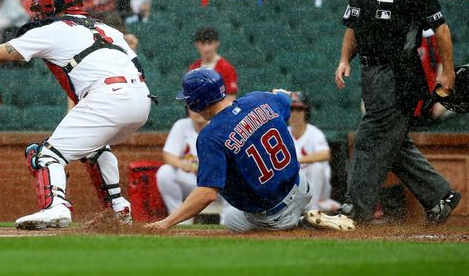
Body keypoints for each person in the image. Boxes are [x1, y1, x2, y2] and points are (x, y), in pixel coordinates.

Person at [0, 0, 152, 229]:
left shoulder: (51, 29)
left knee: (44, 155)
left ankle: (55, 207)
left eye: (41, 10)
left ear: (51, 8)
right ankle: (119, 207)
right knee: (95, 148)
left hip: (108, 97)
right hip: (141, 99)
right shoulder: (108, 29)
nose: (39, 15)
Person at [334, 0, 461, 224]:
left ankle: (355, 209)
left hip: (400, 74)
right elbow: (353, 27)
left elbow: (441, 30)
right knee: (392, 143)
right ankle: (441, 195)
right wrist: (343, 60)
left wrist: (448, 73)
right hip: (371, 72)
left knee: (368, 137)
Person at [147, 68, 355, 232]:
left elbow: (207, 194)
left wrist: (166, 222)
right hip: (301, 186)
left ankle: (301, 225)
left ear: (196, 102)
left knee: (230, 219)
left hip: (274, 213)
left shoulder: (210, 136)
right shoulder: (258, 99)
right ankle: (305, 212)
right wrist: (277, 96)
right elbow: (284, 96)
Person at [287, 92, 339, 212]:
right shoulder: (283, 134)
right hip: (294, 187)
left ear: (305, 112)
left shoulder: (314, 133)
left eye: (299, 109)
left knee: (316, 167)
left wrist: (298, 160)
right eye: (291, 109)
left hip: (317, 188)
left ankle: (313, 211)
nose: (294, 114)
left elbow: (325, 154)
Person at [156, 108, 208, 223]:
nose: (197, 111)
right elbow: (168, 155)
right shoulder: (182, 125)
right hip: (193, 181)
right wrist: (182, 164)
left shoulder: (218, 125)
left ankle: (227, 222)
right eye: (192, 107)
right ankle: (179, 220)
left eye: (200, 106)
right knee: (165, 172)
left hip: (216, 184)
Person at [188, 26, 237, 101]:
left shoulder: (226, 68)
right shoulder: (194, 68)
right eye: (202, 44)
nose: (206, 49)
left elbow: (231, 99)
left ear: (216, 44)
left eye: (210, 43)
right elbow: (190, 99)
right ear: (197, 45)